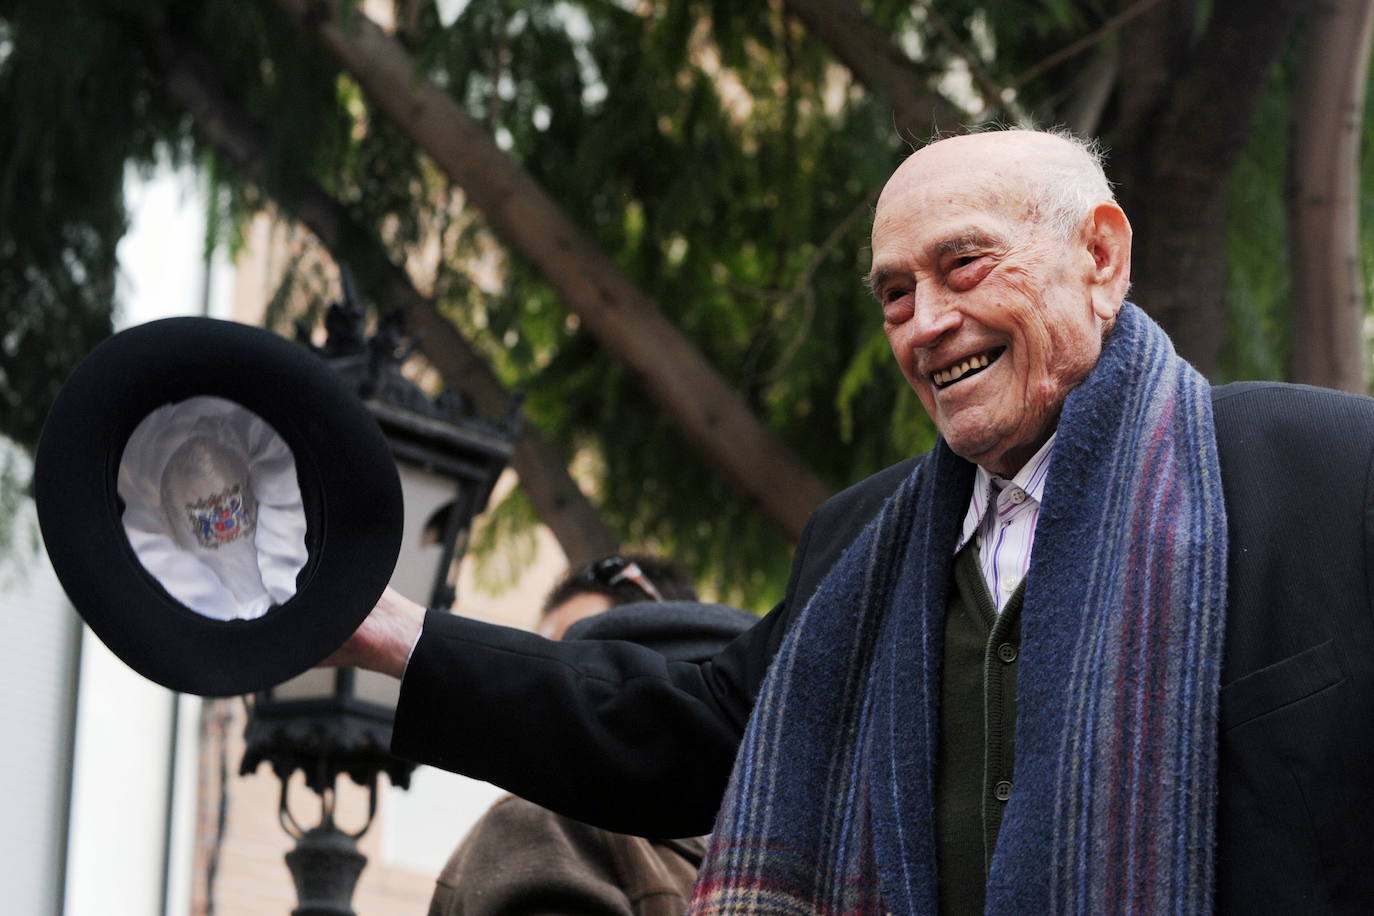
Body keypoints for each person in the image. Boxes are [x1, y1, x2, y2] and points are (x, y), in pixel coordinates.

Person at [331, 129, 1374, 913]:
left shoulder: (1327, 473)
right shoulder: (861, 544)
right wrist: (390, 632)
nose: (926, 324)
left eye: (963, 265)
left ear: (1100, 255)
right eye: (893, 294)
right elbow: (674, 730)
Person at [429, 554, 755, 916]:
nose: (544, 679)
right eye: (535, 659)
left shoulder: (562, 826)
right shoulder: (549, 824)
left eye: (577, 662)